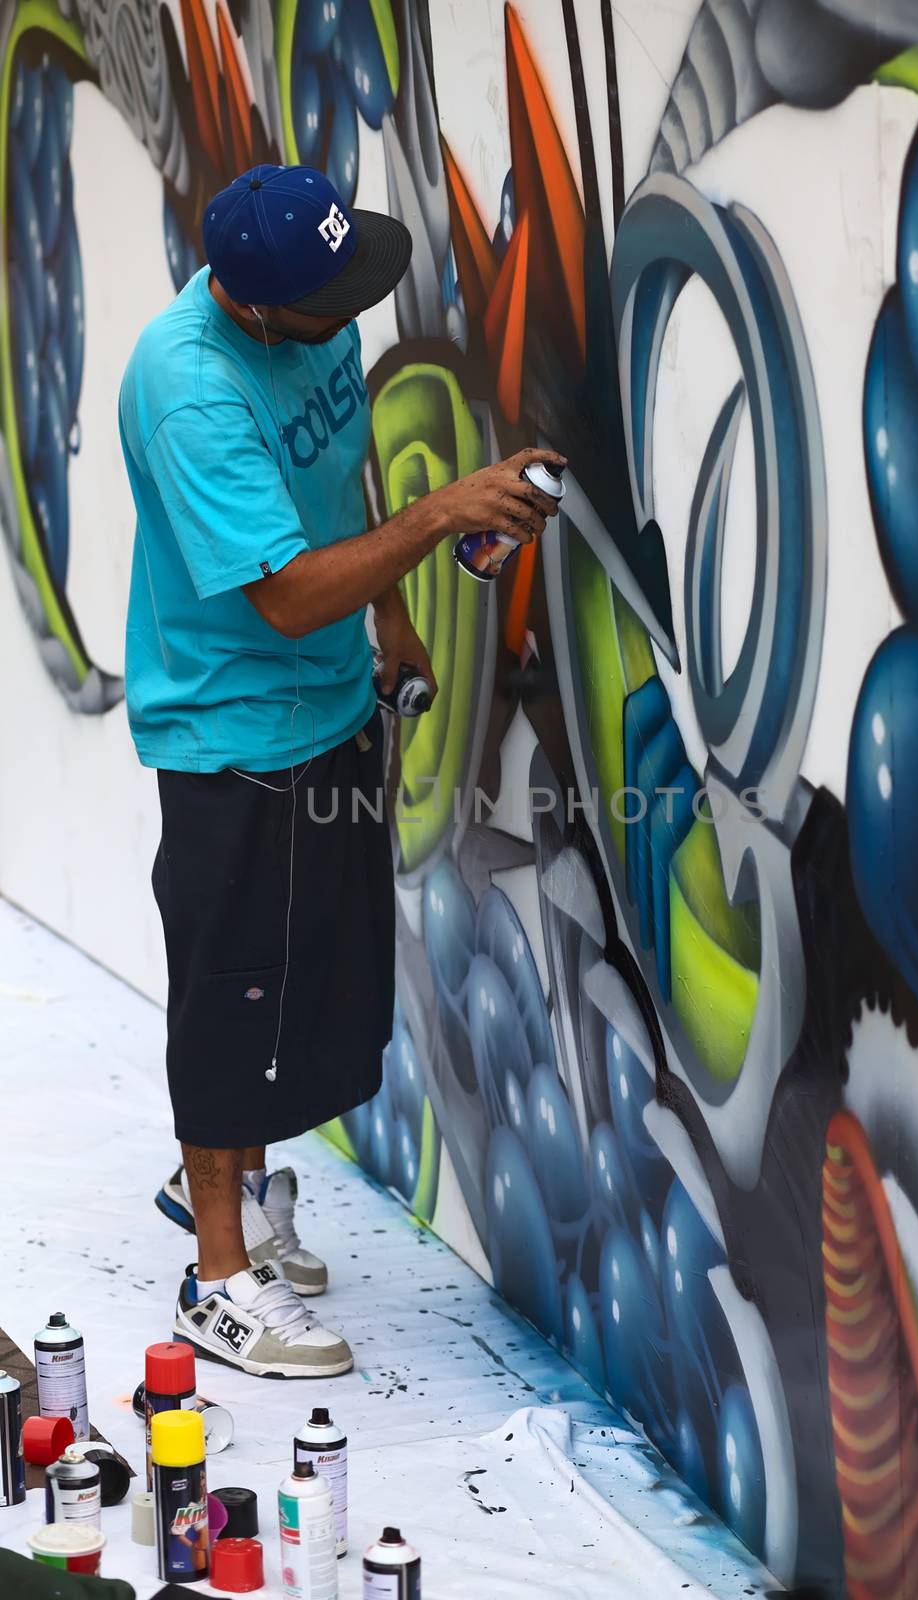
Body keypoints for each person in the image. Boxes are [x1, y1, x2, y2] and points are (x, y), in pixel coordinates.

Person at [118, 163, 565, 1378]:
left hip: (326, 703)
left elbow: (339, 471)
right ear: (259, 305)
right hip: (231, 733)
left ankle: (246, 1195)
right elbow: (280, 594)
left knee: (303, 984)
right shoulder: (188, 389)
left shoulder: (312, 299)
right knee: (231, 999)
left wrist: (396, 617)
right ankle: (215, 1277)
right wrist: (432, 524)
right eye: (333, 293)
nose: (356, 299)